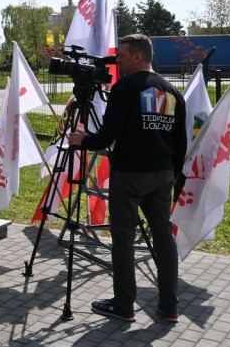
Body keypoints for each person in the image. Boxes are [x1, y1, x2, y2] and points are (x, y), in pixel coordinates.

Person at [66, 33, 186, 323]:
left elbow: (109, 134)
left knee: (123, 239)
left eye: (122, 54)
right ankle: (169, 306)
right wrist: (173, 174)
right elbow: (180, 141)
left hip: (130, 174)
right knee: (164, 237)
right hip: (162, 175)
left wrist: (83, 140)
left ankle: (124, 304)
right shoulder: (172, 91)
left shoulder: (125, 88)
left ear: (138, 57)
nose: (117, 59)